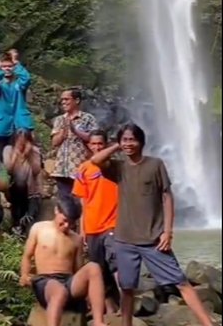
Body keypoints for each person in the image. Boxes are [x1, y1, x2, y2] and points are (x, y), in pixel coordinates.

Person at [91, 123, 214, 326]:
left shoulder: (155, 164)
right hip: (124, 240)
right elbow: (95, 160)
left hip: (154, 239)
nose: (128, 144)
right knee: (127, 288)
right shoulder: (118, 168)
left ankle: (207, 324)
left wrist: (167, 231)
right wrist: (116, 146)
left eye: (132, 139)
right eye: (125, 140)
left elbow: (167, 197)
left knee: (181, 282)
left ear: (141, 142)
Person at [19, 196, 107, 326]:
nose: (67, 226)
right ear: (56, 210)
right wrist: (24, 275)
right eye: (64, 220)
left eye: (71, 223)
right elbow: (27, 256)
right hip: (45, 282)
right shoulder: (39, 228)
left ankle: (98, 322)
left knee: (93, 267)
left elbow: (78, 269)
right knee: (59, 291)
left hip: (68, 281)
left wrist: (87, 293)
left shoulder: (76, 239)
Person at [72, 130, 119, 313]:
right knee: (98, 268)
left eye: (100, 144)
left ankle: (126, 302)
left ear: (106, 145)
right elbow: (83, 202)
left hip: (113, 224)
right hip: (92, 227)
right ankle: (106, 306)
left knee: (116, 262)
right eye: (94, 144)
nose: (97, 147)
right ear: (89, 145)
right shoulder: (83, 169)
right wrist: (82, 228)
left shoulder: (114, 167)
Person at [51, 88, 97, 199]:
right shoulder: (59, 120)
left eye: (66, 99)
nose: (63, 102)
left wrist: (76, 131)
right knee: (65, 206)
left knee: (80, 202)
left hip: (79, 169)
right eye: (62, 100)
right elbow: (54, 142)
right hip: (61, 169)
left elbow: (93, 139)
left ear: (77, 100)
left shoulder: (88, 118)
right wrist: (64, 130)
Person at [0, 49, 34, 160]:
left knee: (23, 156)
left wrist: (16, 62)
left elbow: (26, 79)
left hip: (19, 124)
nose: (7, 68)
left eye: (10, 66)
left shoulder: (19, 84)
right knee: (2, 156)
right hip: (3, 126)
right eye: (4, 66)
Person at [3, 129, 42, 236]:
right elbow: (8, 170)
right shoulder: (8, 150)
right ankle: (16, 226)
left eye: (24, 139)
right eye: (19, 139)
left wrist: (28, 155)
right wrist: (16, 155)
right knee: (20, 185)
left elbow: (36, 171)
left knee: (29, 221)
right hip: (15, 191)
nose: (21, 142)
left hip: (32, 193)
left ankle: (22, 228)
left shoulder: (34, 150)